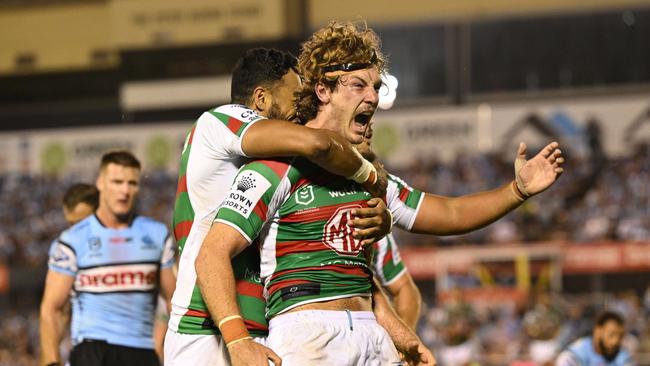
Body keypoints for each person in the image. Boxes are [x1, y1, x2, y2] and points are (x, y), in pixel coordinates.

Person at [200, 22, 435, 366]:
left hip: (371, 335)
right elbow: (211, 254)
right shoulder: (274, 165)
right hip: (302, 332)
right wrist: (237, 339)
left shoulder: (366, 180)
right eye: (358, 85)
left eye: (375, 87)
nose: (372, 97)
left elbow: (365, 284)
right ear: (323, 90)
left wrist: (403, 336)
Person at [165, 48, 393, 365]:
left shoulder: (279, 165)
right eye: (295, 96)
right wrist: (371, 177)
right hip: (206, 328)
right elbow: (318, 142)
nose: (301, 108)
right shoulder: (219, 122)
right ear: (261, 99)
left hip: (263, 328)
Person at [40, 151, 176, 366]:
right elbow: (52, 308)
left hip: (141, 351)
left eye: (132, 183)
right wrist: (50, 361)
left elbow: (174, 301)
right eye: (117, 182)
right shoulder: (72, 240)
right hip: (92, 350)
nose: (124, 191)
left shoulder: (157, 235)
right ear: (100, 183)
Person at [555, 311, 635, 366]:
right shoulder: (575, 354)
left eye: (620, 336)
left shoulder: (623, 357)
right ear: (597, 331)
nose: (615, 341)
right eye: (611, 334)